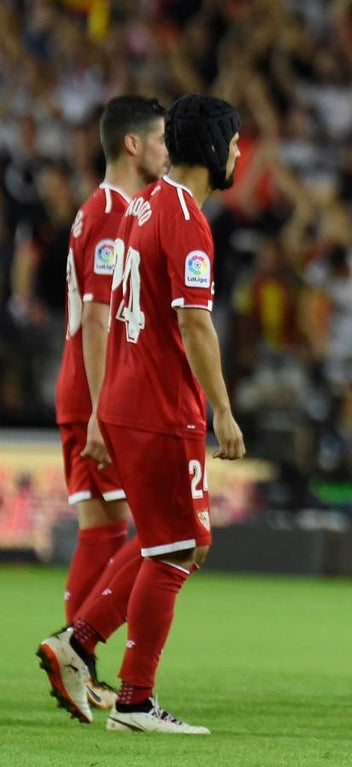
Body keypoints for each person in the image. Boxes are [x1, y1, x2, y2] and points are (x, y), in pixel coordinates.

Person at [37, 94, 246, 734]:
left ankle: (80, 640)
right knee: (179, 546)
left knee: (170, 541)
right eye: (234, 141)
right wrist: (224, 411)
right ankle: (133, 699)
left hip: (128, 399)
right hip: (159, 403)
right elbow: (193, 321)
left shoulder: (143, 204)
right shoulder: (184, 215)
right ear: (213, 148)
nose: (240, 152)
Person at [36, 95, 168, 716]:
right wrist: (98, 409)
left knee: (109, 525)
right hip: (95, 391)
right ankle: (76, 653)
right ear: (133, 145)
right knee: (127, 530)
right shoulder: (113, 210)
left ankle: (76, 658)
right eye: (162, 139)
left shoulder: (104, 209)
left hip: (90, 388)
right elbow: (95, 315)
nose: (169, 151)